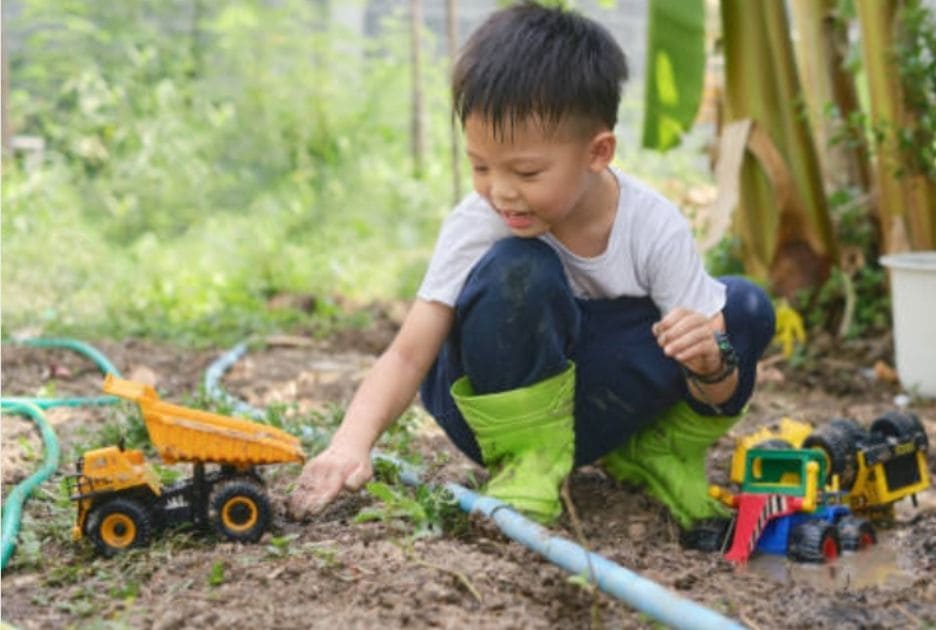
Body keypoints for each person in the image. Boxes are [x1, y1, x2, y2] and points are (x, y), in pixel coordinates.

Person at [286, 1, 774, 548]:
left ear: (598, 152)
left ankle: (658, 451)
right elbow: (407, 354)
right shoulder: (480, 223)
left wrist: (711, 362)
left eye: (526, 171)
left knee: (744, 309)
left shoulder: (652, 225)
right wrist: (351, 443)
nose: (501, 191)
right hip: (492, 407)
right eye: (480, 166)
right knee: (520, 268)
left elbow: (716, 382)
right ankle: (528, 464)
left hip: (594, 402)